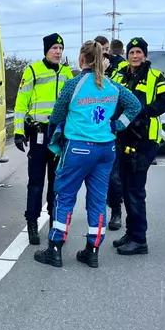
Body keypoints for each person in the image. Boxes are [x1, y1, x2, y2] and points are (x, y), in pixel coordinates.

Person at [33, 40, 141, 268]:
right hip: (106, 149)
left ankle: (55, 248)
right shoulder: (112, 86)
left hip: (78, 148)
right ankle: (92, 250)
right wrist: (118, 125)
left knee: (64, 197)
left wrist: (55, 144)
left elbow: (56, 116)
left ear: (82, 59)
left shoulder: (73, 85)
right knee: (98, 200)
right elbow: (134, 106)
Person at [110, 37, 165, 255]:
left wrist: (143, 112)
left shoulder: (156, 77)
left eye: (138, 52)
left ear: (145, 55)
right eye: (131, 52)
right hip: (123, 137)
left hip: (144, 140)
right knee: (126, 187)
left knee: (135, 189)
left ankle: (139, 239)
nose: (135, 56)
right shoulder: (119, 75)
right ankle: (131, 232)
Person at [13, 33, 74, 244]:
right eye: (54, 48)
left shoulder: (67, 73)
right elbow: (21, 103)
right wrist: (18, 131)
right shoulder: (32, 71)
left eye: (60, 48)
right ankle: (32, 223)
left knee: (57, 182)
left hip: (59, 135)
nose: (58, 52)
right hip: (39, 133)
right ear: (46, 50)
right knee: (36, 181)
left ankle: (54, 222)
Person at [105, 38, 126, 230]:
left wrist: (119, 125)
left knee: (113, 175)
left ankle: (116, 211)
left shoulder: (121, 69)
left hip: (112, 131)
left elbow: (131, 104)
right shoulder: (92, 73)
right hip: (93, 132)